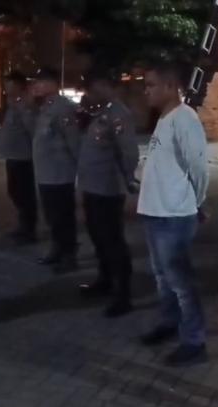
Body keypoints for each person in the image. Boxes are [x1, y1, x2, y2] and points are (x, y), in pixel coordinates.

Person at [137, 62, 209, 366]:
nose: (146, 91)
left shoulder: (184, 118)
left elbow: (199, 167)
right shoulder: (164, 119)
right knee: (162, 278)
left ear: (170, 86)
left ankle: (194, 341)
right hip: (154, 213)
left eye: (151, 84)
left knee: (181, 282)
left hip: (174, 215)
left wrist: (197, 202)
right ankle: (169, 323)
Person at [76, 68, 140, 318]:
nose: (89, 93)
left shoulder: (118, 114)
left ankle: (123, 293)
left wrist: (128, 179)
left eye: (92, 88)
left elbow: (129, 152)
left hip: (108, 188)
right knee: (97, 237)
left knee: (112, 241)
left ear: (104, 85)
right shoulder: (97, 113)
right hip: (92, 186)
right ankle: (104, 280)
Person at [31, 66, 82, 274]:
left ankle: (69, 255)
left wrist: (79, 168)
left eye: (41, 82)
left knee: (63, 217)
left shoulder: (63, 108)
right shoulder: (46, 107)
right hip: (46, 173)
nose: (37, 86)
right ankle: (57, 250)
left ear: (53, 83)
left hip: (60, 173)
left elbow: (73, 140)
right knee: (52, 216)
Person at [0, 70, 39, 245]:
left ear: (18, 85)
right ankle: (23, 226)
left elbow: (32, 129)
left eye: (9, 84)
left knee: (23, 194)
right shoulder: (13, 104)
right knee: (15, 192)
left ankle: (28, 230)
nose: (5, 87)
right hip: (13, 156)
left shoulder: (25, 105)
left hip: (23, 157)